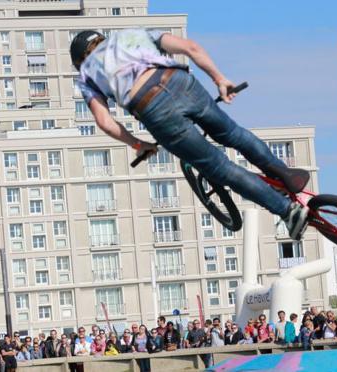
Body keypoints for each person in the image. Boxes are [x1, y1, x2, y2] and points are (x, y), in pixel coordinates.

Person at [70, 29, 311, 242]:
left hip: (153, 108)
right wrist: (220, 79)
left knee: (221, 169)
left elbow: (104, 121)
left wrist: (137, 143)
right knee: (232, 133)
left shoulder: (87, 75)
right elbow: (191, 48)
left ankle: (287, 211)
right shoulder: (130, 34)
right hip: (180, 81)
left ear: (81, 60)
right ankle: (284, 175)